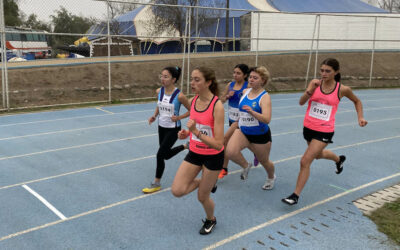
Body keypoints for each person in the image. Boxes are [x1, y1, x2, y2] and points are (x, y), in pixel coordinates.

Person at [282, 58, 368, 205]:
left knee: (305, 161)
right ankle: (338, 159)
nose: (324, 73)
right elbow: (301, 102)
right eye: (322, 70)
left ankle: (295, 195)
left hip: (325, 130)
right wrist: (310, 89)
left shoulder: (342, 89)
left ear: (336, 72)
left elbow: (357, 101)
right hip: (308, 127)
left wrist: (360, 117)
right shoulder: (315, 84)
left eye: (328, 71)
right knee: (318, 155)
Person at [171, 66, 224, 235]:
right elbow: (194, 126)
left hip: (213, 156)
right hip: (195, 153)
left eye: (197, 79)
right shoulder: (193, 101)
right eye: (191, 79)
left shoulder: (217, 106)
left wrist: (196, 133)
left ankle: (211, 219)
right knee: (177, 190)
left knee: (202, 197)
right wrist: (185, 133)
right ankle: (208, 182)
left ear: (208, 82)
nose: (192, 83)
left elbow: (218, 144)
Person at [225, 66, 276, 190]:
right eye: (250, 77)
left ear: (263, 80)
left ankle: (271, 177)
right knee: (230, 152)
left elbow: (267, 119)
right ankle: (246, 165)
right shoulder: (245, 92)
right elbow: (242, 110)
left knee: (264, 161)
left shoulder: (265, 97)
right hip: (243, 131)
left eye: (255, 78)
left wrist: (253, 112)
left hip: (259, 135)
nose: (251, 80)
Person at [142, 66, 191, 194]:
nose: (162, 79)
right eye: (161, 76)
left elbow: (192, 110)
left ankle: (156, 183)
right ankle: (186, 146)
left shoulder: (179, 96)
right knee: (165, 155)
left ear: (173, 79)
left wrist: (179, 117)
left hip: (174, 129)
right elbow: (159, 105)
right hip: (161, 127)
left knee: (159, 155)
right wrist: (154, 115)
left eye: (166, 77)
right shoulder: (159, 91)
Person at [218, 64, 250, 179]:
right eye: (234, 72)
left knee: (225, 141)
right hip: (232, 119)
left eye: (238, 73)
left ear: (245, 75)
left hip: (242, 120)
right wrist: (227, 96)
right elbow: (221, 100)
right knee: (231, 142)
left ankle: (224, 168)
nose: (235, 75)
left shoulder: (248, 86)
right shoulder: (230, 85)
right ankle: (224, 168)